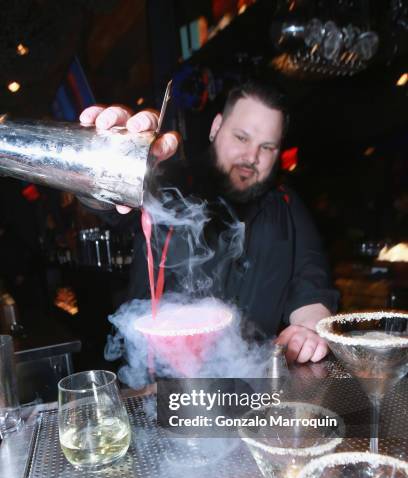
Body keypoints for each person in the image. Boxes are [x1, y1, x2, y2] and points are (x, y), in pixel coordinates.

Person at [79, 80, 338, 363]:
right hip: (158, 387)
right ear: (216, 128)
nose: (251, 156)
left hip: (246, 387)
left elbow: (312, 283)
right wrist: (106, 157)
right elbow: (106, 202)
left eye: (267, 147)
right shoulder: (169, 183)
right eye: (241, 137)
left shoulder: (286, 205)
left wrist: (308, 330)